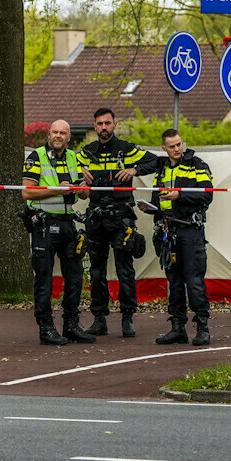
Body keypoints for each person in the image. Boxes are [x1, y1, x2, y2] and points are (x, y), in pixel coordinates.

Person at [134, 128, 215, 346]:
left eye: (179, 144)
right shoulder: (161, 169)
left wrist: (180, 195)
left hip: (190, 230)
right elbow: (159, 200)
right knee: (174, 281)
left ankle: (202, 328)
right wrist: (149, 208)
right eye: (172, 146)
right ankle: (178, 328)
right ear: (164, 148)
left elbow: (207, 195)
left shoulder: (197, 165)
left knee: (194, 281)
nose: (177, 149)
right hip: (168, 231)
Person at [77, 107, 152, 338]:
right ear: (94, 126)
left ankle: (127, 318)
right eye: (99, 124)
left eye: (107, 123)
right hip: (96, 217)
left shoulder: (127, 149)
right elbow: (67, 166)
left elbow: (155, 162)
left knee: (125, 270)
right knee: (96, 271)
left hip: (121, 217)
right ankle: (99, 319)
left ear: (114, 125)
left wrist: (134, 169)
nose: (103, 127)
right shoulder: (87, 152)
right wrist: (80, 171)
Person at [22, 119, 94, 345]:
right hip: (44, 224)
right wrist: (57, 190)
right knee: (44, 277)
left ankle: (71, 325)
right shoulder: (36, 156)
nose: (58, 136)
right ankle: (46, 328)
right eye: (55, 132)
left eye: (62, 133)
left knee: (75, 275)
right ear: (49, 134)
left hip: (67, 223)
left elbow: (84, 194)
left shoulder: (74, 157)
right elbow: (27, 192)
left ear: (69, 137)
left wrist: (83, 188)